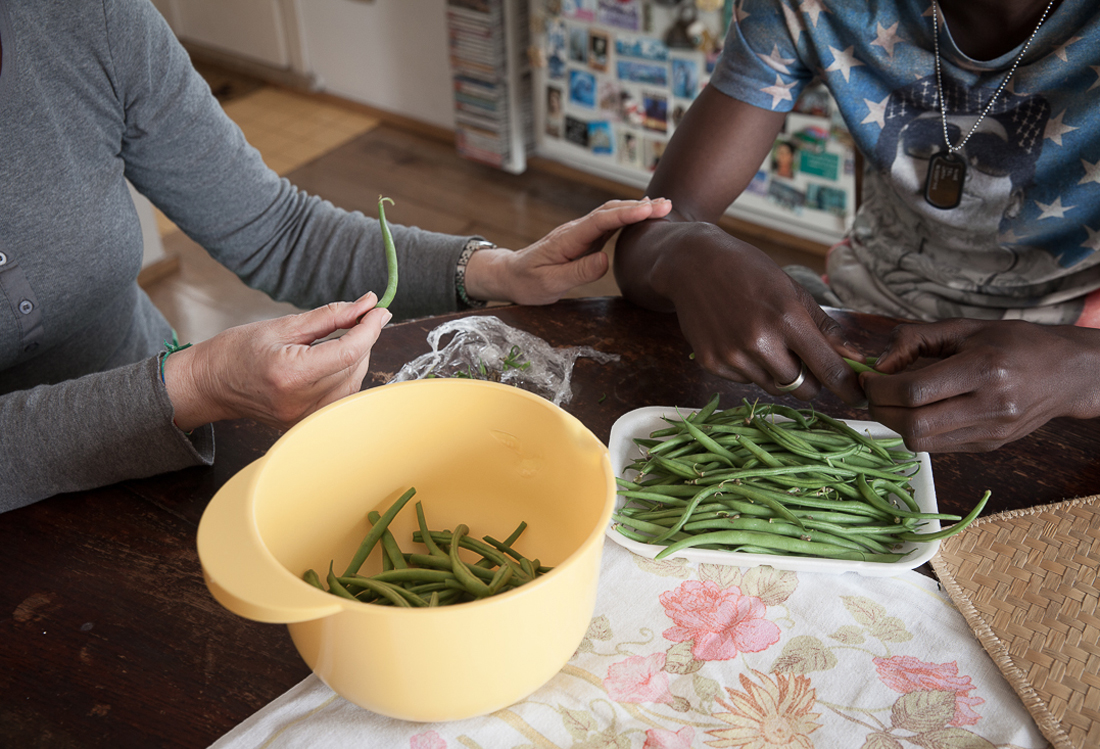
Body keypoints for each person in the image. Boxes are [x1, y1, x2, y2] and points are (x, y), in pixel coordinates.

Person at [0, 0, 672, 511]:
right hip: (155, 418)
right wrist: (196, 384)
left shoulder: (84, 18)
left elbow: (276, 225)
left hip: (162, 462)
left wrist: (495, 271)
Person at [615, 0, 1100, 454]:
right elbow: (652, 229)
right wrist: (688, 251)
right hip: (857, 317)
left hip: (1066, 352)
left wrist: (1082, 370)